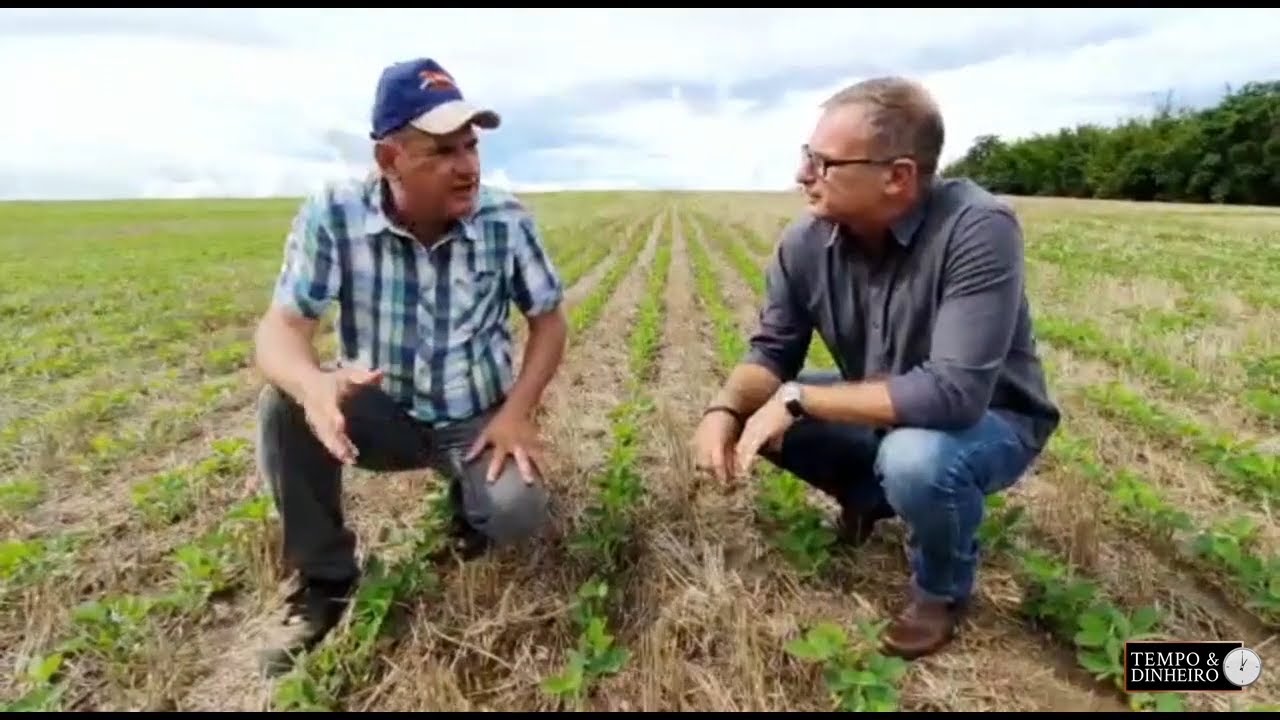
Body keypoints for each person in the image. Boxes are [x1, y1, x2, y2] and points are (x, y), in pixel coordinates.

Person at [691, 76, 1060, 660]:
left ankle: (940, 590)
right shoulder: (805, 243)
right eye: (805, 156)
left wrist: (799, 399)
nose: (802, 175)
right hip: (887, 409)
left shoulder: (978, 227)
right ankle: (866, 496)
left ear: (898, 176)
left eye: (823, 162)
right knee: (760, 407)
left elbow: (956, 394)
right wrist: (725, 408)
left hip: (992, 420)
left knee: (915, 457)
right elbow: (771, 353)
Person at [250, 57, 568, 677]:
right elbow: (281, 328)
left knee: (516, 513)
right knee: (282, 402)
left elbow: (549, 320)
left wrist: (516, 412)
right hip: (383, 410)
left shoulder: (506, 220)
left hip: (476, 416)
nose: (468, 165)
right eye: (443, 151)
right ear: (389, 160)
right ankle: (325, 581)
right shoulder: (333, 214)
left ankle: (466, 501)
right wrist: (312, 383)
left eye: (471, 146)